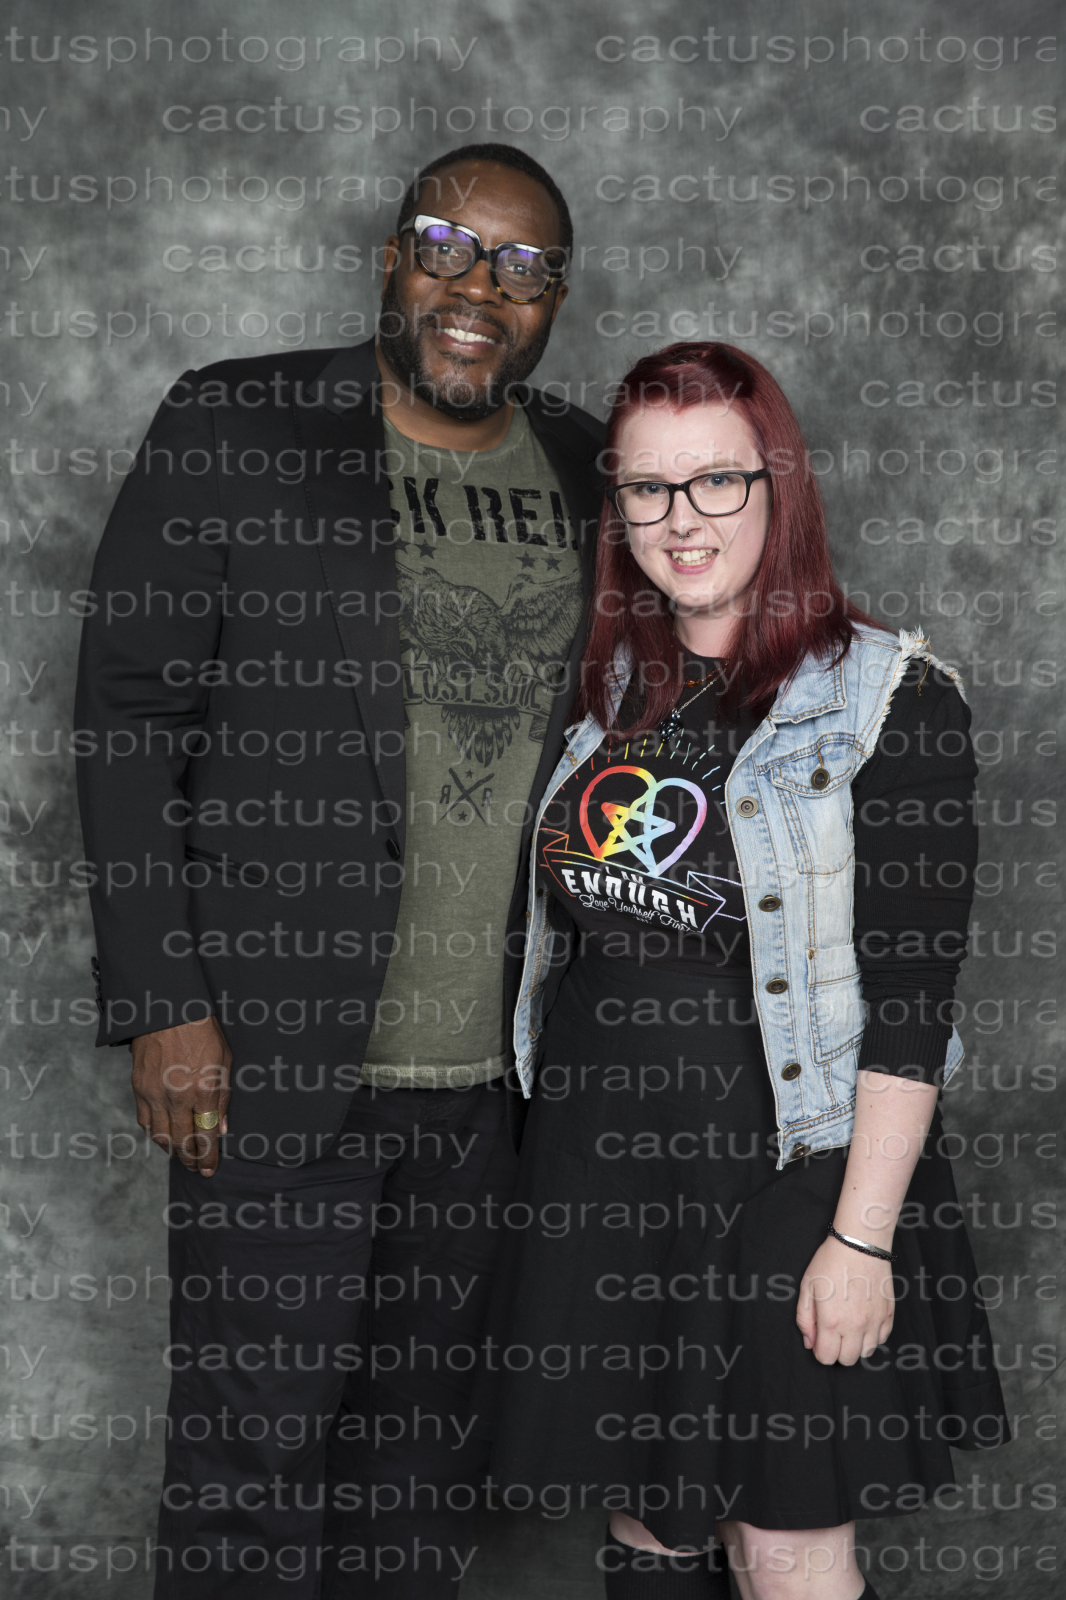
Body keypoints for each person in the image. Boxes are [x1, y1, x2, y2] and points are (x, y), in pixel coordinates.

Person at [74, 142, 603, 1598]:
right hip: (270, 1062)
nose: (478, 288)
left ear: (555, 299)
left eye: (522, 266)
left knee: (415, 1484)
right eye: (446, 244)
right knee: (249, 1471)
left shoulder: (585, 466)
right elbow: (128, 722)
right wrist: (163, 1004)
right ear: (389, 255)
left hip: (492, 1089)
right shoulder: (236, 425)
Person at [481, 342, 1009, 1600]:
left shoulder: (886, 699)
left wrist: (860, 1239)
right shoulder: (601, 687)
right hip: (603, 1180)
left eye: (717, 480)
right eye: (648, 488)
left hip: (790, 1182)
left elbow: (911, 1008)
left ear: (779, 487)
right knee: (648, 1530)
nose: (683, 519)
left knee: (782, 1546)